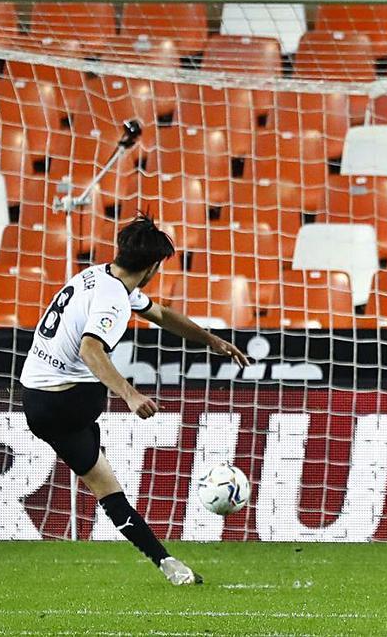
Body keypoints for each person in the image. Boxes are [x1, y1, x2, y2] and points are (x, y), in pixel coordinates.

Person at [19, 214, 249, 585]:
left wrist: (211, 340)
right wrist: (129, 394)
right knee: (96, 405)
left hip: (35, 399)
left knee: (105, 485)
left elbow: (159, 314)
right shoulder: (113, 300)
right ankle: (165, 559)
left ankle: (168, 564)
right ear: (153, 266)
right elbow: (91, 349)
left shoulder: (100, 276)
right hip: (66, 401)